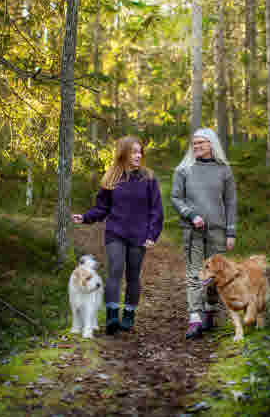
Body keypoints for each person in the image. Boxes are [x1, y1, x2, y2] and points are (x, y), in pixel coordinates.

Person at [72, 135, 164, 335]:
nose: (138, 155)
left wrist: (152, 234)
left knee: (133, 276)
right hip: (116, 232)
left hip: (139, 235)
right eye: (134, 152)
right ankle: (112, 316)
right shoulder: (111, 178)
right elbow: (102, 207)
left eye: (140, 152)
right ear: (123, 154)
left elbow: (156, 210)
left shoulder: (148, 178)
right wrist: (86, 217)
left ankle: (129, 317)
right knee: (115, 270)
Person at [171, 128, 237, 340]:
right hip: (193, 232)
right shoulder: (184, 170)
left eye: (201, 143)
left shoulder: (224, 170)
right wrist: (191, 215)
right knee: (194, 274)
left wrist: (231, 232)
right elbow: (176, 198)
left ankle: (209, 311)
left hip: (218, 231)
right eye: (195, 143)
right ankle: (195, 319)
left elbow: (230, 202)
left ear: (212, 144)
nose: (197, 146)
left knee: (215, 277)